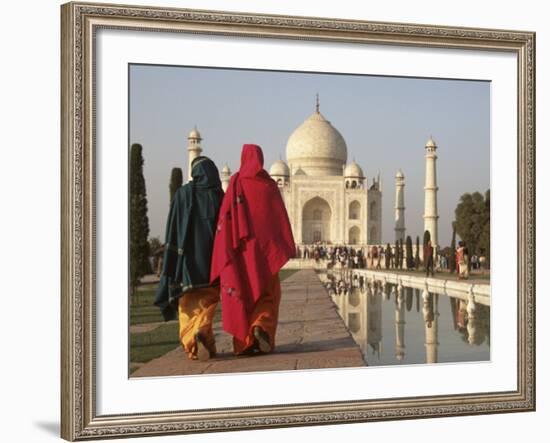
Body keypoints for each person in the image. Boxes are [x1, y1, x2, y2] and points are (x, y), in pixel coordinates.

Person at [210, 144, 296, 356]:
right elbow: (279, 221)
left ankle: (245, 342)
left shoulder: (236, 182)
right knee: (267, 294)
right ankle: (261, 327)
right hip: (265, 255)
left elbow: (226, 217)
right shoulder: (269, 186)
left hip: (241, 252)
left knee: (242, 292)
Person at [154, 156, 224, 361]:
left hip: (187, 264)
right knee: (208, 302)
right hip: (212, 263)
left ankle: (194, 341)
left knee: (187, 306)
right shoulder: (219, 195)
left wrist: (172, 254)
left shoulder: (183, 194)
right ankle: (203, 334)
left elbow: (173, 227)